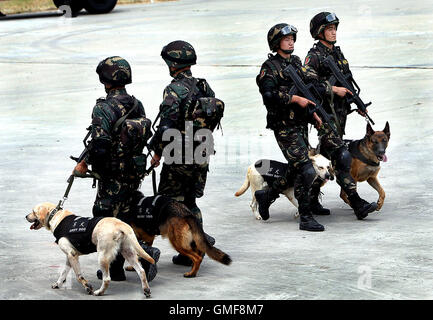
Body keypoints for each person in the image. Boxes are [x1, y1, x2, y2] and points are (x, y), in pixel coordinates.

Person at [73, 56, 160, 281]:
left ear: (106, 80)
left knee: (104, 221)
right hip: (134, 172)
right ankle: (118, 269)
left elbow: (100, 146)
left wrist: (85, 165)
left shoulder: (103, 107)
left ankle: (144, 253)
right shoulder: (135, 103)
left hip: (112, 176)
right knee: (124, 218)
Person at [304, 12, 377, 219]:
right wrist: (332, 90)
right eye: (329, 29)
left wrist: (357, 103)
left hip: (340, 114)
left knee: (327, 158)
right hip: (325, 115)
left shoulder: (336, 53)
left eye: (335, 28)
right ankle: (357, 203)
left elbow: (347, 81)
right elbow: (307, 83)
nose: (333, 32)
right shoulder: (314, 56)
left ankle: (308, 199)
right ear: (319, 32)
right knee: (342, 156)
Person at [255, 23, 326, 231]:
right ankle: (306, 217)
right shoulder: (269, 68)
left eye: (293, 38)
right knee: (305, 168)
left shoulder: (295, 62)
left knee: (297, 168)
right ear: (276, 43)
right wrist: (293, 98)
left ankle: (267, 194)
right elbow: (268, 96)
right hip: (284, 126)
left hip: (300, 122)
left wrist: (312, 113)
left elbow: (306, 91)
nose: (291, 42)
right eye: (287, 39)